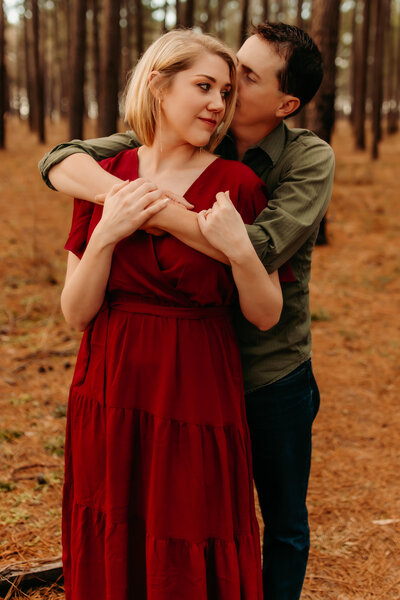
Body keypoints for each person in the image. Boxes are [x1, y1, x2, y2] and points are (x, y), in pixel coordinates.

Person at [39, 23, 335, 600]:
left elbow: (261, 255)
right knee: (120, 518)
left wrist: (153, 212)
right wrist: (109, 218)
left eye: (240, 82)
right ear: (161, 85)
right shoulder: (128, 165)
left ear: (285, 103)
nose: (223, 99)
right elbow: (64, 159)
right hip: (119, 379)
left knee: (274, 525)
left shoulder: (279, 169)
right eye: (213, 82)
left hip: (252, 371)